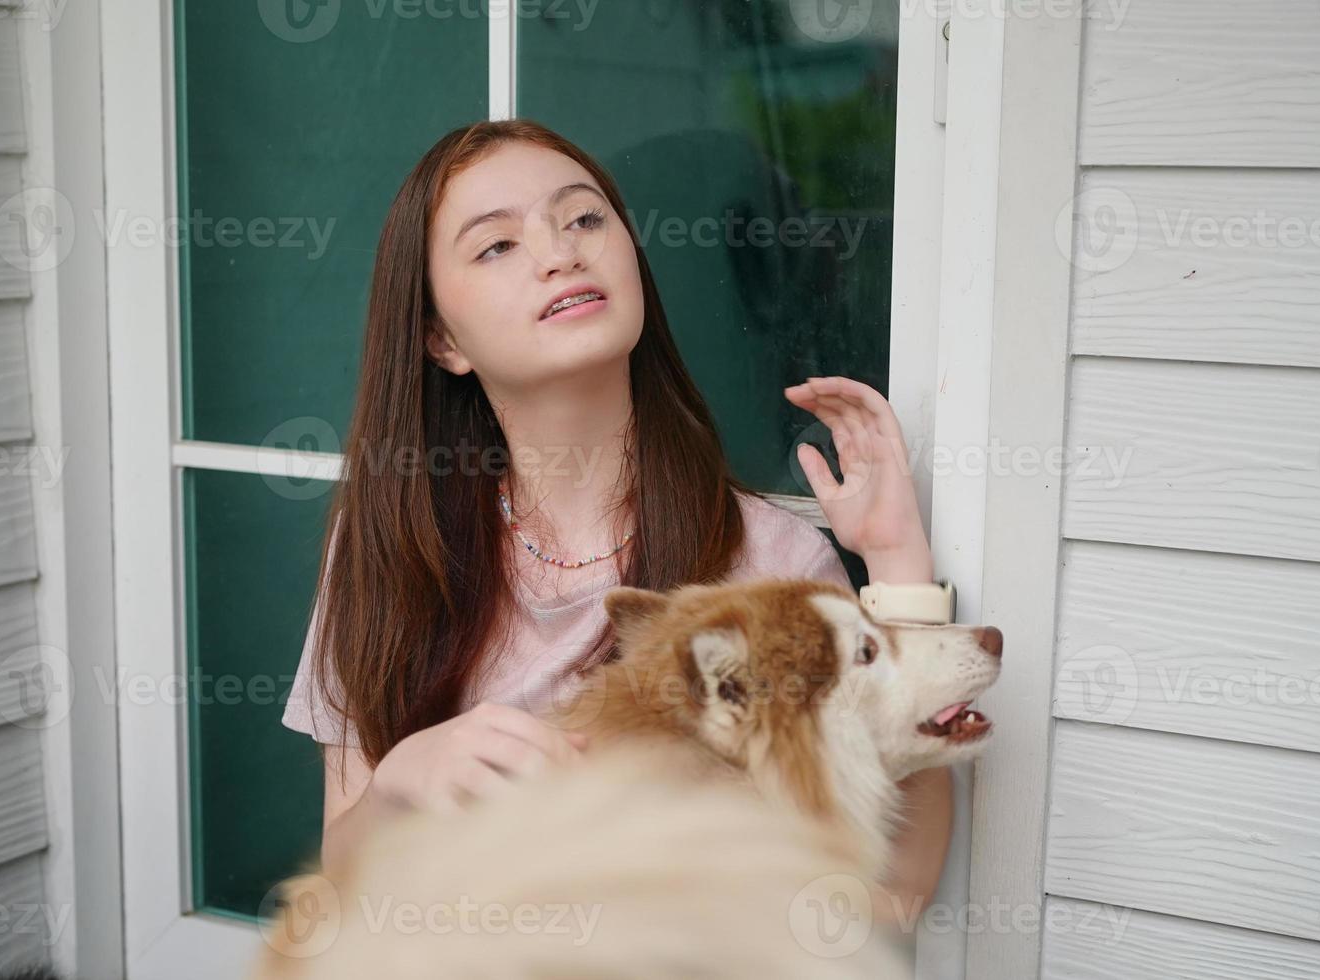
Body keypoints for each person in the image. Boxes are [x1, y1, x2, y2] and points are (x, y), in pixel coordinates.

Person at [280, 118, 951, 920]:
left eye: (585, 218)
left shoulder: (770, 560)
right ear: (440, 339)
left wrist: (896, 565)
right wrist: (397, 788)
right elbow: (346, 879)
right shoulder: (383, 545)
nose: (560, 252)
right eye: (496, 245)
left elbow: (892, 894)